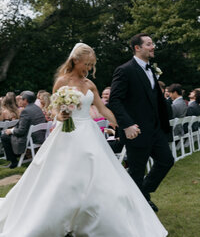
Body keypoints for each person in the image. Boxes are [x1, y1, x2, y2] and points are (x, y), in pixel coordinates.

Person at [0, 43, 168, 237]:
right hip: (67, 133)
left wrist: (123, 125)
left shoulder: (89, 84)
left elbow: (103, 109)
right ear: (75, 60)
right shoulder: (62, 82)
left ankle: (94, 218)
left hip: (88, 130)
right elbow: (54, 107)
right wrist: (60, 115)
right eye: (86, 64)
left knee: (97, 171)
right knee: (63, 176)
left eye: (91, 65)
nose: (88, 69)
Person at [109, 33, 174, 212]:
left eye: (152, 44)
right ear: (137, 48)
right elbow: (114, 100)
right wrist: (127, 124)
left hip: (155, 129)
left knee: (166, 161)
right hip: (135, 130)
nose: (153, 47)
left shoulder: (150, 69)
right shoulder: (125, 70)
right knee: (137, 171)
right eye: (149, 44)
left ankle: (143, 193)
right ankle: (136, 208)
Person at [0, 91, 46, 169]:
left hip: (31, 139)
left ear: (25, 100)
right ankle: (18, 156)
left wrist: (11, 131)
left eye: (21, 99)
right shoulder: (37, 108)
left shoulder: (26, 111)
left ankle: (13, 161)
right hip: (41, 136)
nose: (19, 101)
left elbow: (21, 131)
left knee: (4, 136)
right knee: (7, 134)